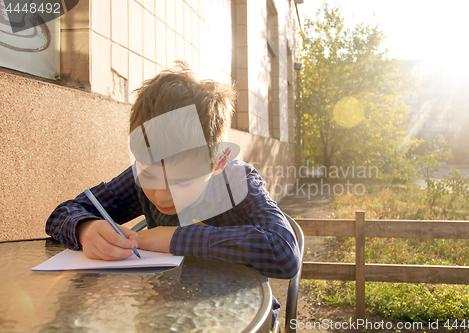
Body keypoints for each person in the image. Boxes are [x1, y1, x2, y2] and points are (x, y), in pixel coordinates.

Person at [45, 62, 299, 327]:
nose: (162, 195)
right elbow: (61, 214)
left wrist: (176, 238)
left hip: (242, 316)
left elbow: (284, 253)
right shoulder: (139, 176)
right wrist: (85, 228)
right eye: (150, 176)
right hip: (166, 312)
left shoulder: (238, 181)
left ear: (218, 162)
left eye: (182, 182)